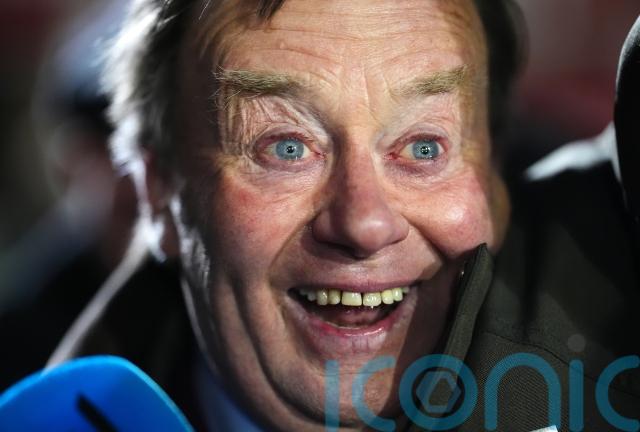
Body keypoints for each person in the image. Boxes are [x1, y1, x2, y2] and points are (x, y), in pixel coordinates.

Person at [45, 0, 640, 430]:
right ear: (159, 194)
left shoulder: (608, 277)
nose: (364, 224)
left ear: (493, 178)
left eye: (424, 147)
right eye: (285, 147)